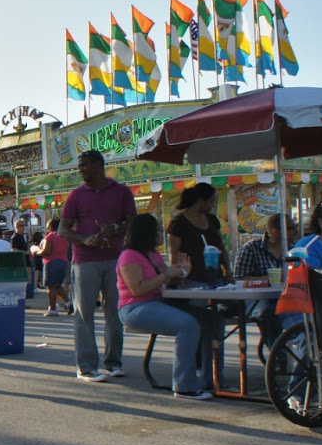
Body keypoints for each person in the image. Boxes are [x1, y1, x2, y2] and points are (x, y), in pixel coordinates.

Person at [59, 149, 137, 383]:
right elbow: (63, 230)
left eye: (85, 165)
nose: (80, 169)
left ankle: (114, 362)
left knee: (115, 313)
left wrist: (113, 230)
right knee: (84, 315)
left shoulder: (122, 192)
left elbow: (132, 223)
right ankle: (86, 367)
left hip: (116, 260)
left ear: (98, 165)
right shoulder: (76, 196)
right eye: (80, 165)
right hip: (84, 262)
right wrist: (85, 239)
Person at [116, 214, 213, 399]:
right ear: (147, 233)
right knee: (187, 324)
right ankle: (184, 386)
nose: (162, 233)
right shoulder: (129, 256)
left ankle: (209, 378)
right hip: (134, 308)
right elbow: (138, 289)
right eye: (158, 230)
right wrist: (168, 274)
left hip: (157, 301)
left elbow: (164, 284)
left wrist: (183, 272)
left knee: (207, 318)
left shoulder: (154, 254)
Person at [234, 213, 299, 343]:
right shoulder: (251, 248)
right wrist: (269, 278)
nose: (296, 232)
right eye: (291, 228)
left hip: (288, 295)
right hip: (258, 298)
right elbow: (239, 280)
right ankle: (278, 356)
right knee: (268, 312)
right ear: (276, 231)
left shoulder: (295, 249)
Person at [167, 183, 226, 286]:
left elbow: (221, 246)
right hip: (192, 280)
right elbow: (174, 254)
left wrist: (228, 271)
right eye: (211, 201)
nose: (212, 206)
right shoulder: (179, 224)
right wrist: (179, 279)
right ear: (200, 201)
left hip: (217, 277)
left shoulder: (212, 219)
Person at [36, 218, 73, 317]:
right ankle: (69, 303)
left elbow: (46, 251)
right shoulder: (64, 237)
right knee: (57, 285)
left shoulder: (50, 236)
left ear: (51, 226)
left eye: (48, 226)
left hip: (52, 262)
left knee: (51, 286)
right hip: (63, 262)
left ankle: (52, 309)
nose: (47, 228)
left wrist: (37, 252)